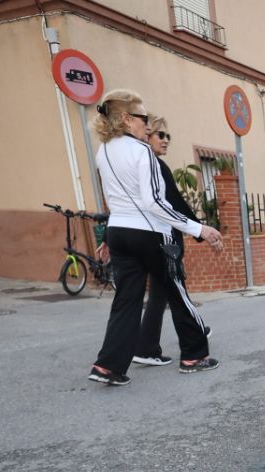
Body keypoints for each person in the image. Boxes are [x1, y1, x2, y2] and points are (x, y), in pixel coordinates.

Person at [88, 89, 223, 387]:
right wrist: (199, 229)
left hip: (119, 232)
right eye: (144, 118)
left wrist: (109, 236)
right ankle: (194, 356)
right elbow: (154, 203)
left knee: (126, 301)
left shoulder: (103, 151)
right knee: (177, 292)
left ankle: (107, 366)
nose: (147, 125)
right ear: (126, 118)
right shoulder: (141, 152)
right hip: (150, 234)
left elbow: (115, 199)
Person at [132, 115, 209, 368]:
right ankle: (193, 341)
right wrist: (201, 230)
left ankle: (146, 347)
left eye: (168, 136)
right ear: (147, 135)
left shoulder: (142, 164)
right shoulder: (155, 166)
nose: (166, 141)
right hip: (164, 238)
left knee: (161, 292)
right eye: (161, 135)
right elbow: (176, 203)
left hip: (148, 237)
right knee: (174, 290)